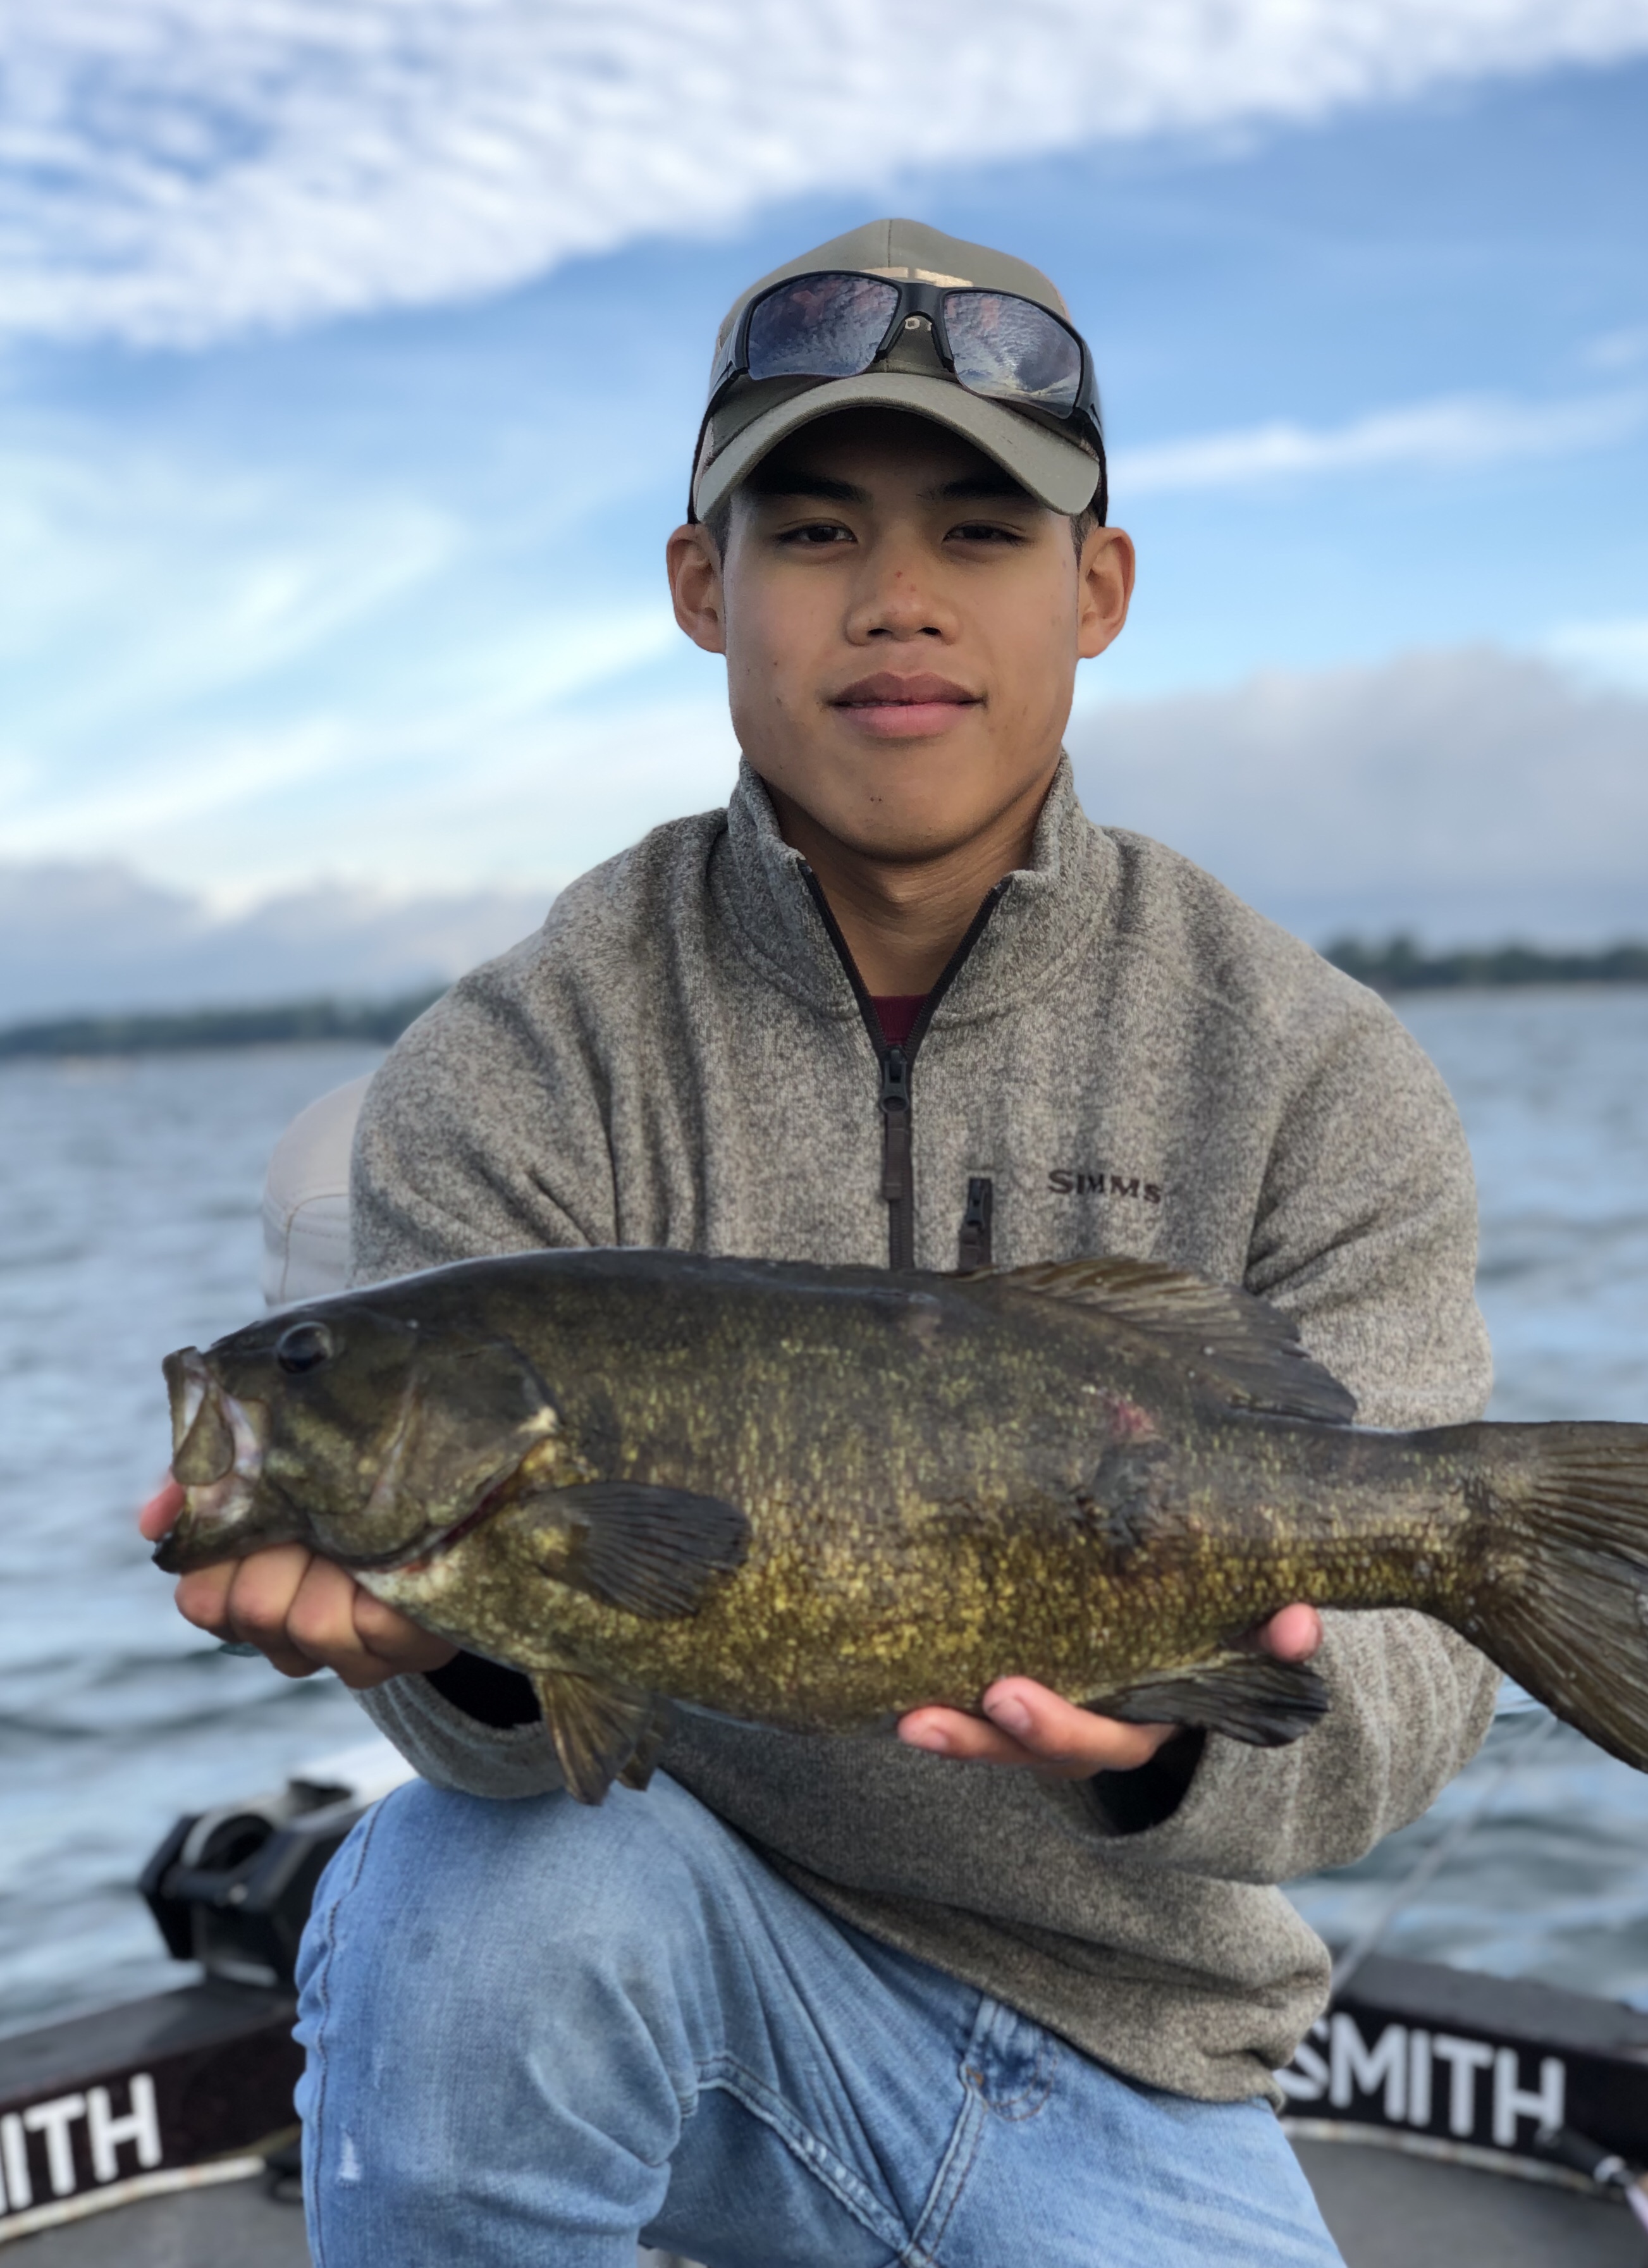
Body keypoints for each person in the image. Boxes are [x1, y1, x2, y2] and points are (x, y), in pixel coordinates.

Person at [144, 218, 1497, 2267]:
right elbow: (500, 1749)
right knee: (447, 1894)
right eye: (810, 534)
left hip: (1131, 2044)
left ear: (1097, 589)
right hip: (662, 1969)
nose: (895, 602)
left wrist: (1163, 1739)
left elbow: (1401, 1696)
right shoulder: (520, 1063)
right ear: (703, 585)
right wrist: (469, 1658)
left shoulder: (1313, 1069)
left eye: (978, 529)